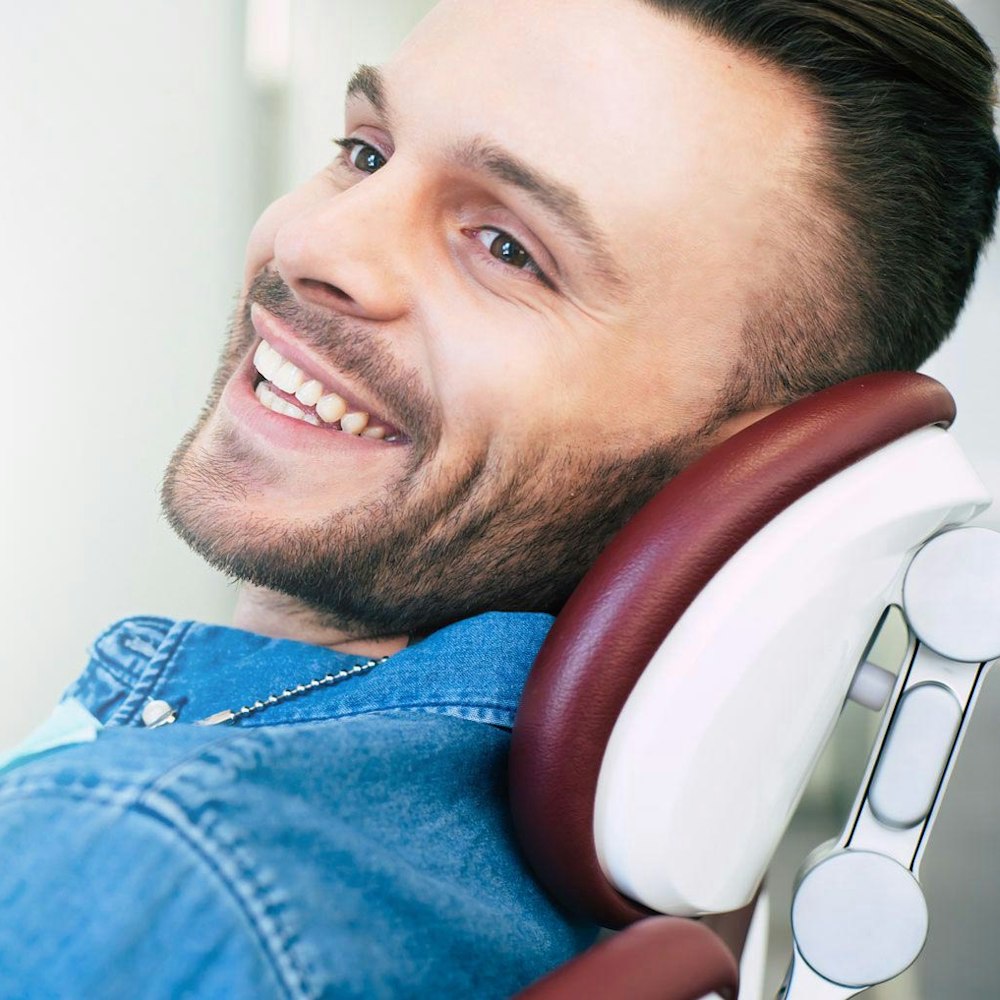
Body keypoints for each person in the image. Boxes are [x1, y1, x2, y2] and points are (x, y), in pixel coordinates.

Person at [1, 0, 997, 996]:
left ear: (745, 469)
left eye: (507, 249)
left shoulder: (147, 868)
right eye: (365, 151)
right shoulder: (520, 892)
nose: (314, 245)